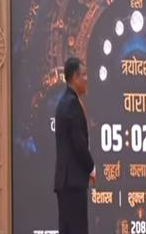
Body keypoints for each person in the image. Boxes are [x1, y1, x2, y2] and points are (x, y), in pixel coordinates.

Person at [53, 57, 96, 234]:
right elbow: (79, 144)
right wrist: (91, 167)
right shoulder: (71, 104)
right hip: (73, 182)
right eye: (83, 75)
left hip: (66, 182)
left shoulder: (64, 102)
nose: (87, 79)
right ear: (74, 78)